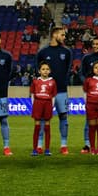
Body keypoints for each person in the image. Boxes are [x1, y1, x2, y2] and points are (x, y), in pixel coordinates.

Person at [35, 26, 74, 157]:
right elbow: (37, 70)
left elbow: (68, 70)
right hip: (45, 93)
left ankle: (64, 145)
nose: (64, 37)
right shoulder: (42, 52)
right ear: (54, 35)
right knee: (42, 119)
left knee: (63, 117)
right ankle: (39, 145)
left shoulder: (67, 52)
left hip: (61, 91)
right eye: (62, 35)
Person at [29, 62, 57, 156]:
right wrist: (34, 105)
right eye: (43, 69)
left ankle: (47, 149)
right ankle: (34, 149)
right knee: (37, 126)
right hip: (38, 103)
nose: (45, 71)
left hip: (48, 104)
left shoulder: (52, 82)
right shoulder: (35, 81)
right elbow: (32, 94)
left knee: (47, 126)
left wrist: (51, 106)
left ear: (50, 71)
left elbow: (53, 96)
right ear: (39, 71)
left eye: (47, 69)